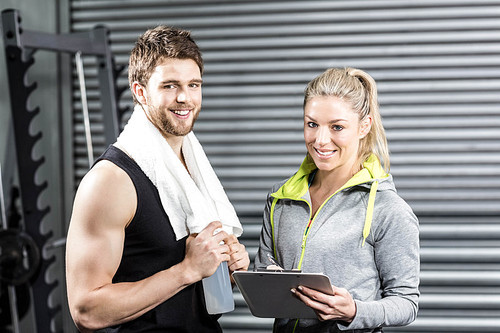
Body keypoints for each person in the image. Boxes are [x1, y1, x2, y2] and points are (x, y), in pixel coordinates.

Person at [65, 26, 249, 333]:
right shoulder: (110, 181)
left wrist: (224, 265)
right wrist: (186, 271)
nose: (184, 98)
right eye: (169, 86)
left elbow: (186, 273)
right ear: (140, 92)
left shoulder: (190, 168)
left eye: (193, 84)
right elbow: (86, 310)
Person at [255, 67, 420, 332]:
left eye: (337, 127)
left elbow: (406, 303)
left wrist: (354, 311)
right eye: (312, 124)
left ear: (364, 126)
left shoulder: (387, 209)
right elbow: (264, 273)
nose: (320, 140)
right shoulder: (280, 199)